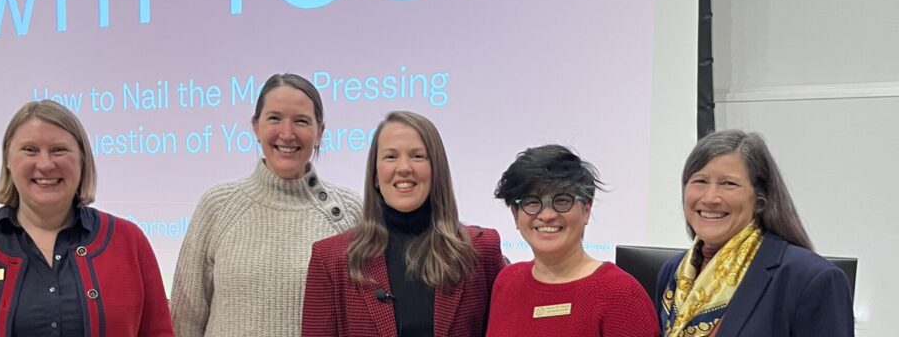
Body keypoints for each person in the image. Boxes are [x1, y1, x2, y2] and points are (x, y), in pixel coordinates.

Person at [0, 100, 173, 336]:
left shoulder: (128, 241)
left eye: (59, 150)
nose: (46, 164)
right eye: (30, 150)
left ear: (82, 160)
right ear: (8, 160)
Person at [170, 73, 362, 336]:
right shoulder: (218, 205)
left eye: (301, 121)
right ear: (256, 127)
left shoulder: (350, 212)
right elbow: (184, 320)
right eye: (274, 118)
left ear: (320, 132)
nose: (287, 133)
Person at [302, 111, 505, 337]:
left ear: (436, 169)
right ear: (376, 175)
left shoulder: (481, 250)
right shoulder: (330, 258)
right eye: (390, 157)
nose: (404, 167)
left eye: (418, 156)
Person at [656, 129, 854, 336]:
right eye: (700, 181)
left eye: (728, 184)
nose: (710, 197)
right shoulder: (673, 271)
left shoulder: (812, 279)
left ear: (760, 199)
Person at [487, 144, 658, 336]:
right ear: (515, 215)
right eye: (532, 202)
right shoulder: (507, 281)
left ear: (586, 209)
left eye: (561, 201)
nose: (547, 215)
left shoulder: (621, 294)